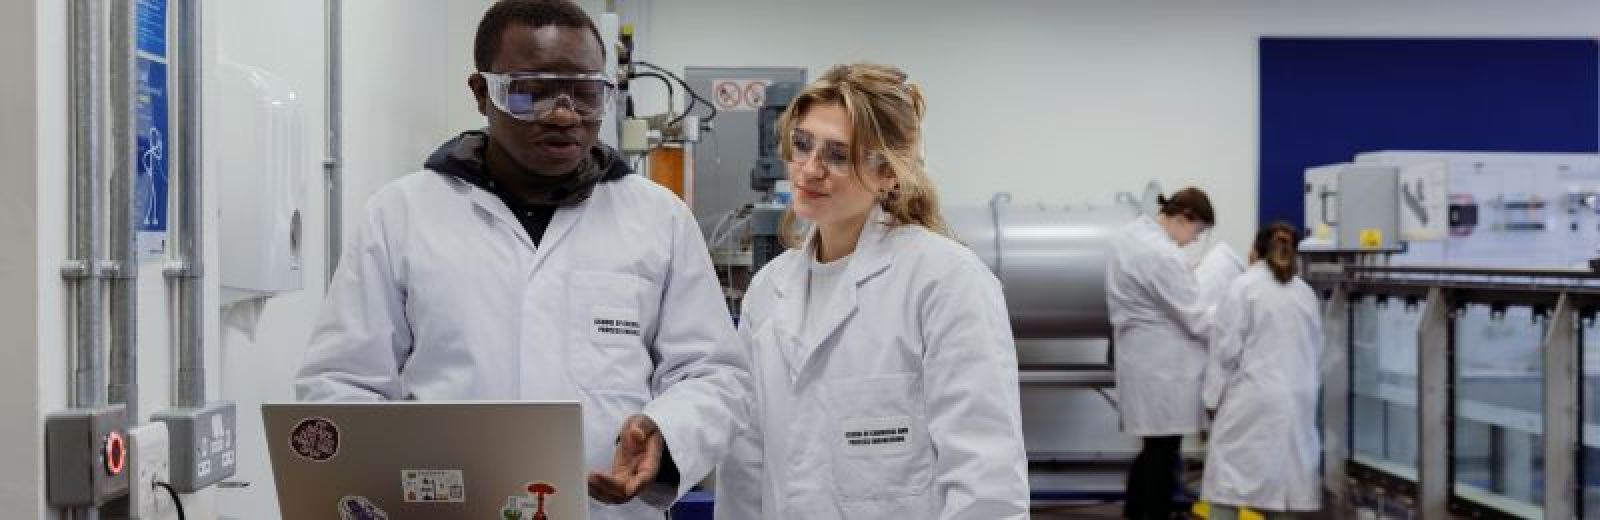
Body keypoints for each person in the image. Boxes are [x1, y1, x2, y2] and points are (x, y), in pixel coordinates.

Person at [294, 1, 747, 516]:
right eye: (530, 91)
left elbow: (713, 374)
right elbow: (341, 384)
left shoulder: (659, 219)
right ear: (482, 93)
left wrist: (666, 434)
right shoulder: (402, 215)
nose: (563, 113)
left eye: (586, 92)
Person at [713, 63, 1030, 519]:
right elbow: (745, 462)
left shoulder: (945, 280)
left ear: (888, 173)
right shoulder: (769, 289)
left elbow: (986, 481)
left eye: (838, 155)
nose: (810, 169)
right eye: (802, 145)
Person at [1105, 187, 1217, 519]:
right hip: (1162, 369)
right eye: (1196, 232)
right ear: (1184, 218)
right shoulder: (1162, 255)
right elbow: (1195, 318)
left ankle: (1137, 514)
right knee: (1162, 454)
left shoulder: (1128, 236)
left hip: (1143, 360)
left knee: (1153, 451)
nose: (1193, 241)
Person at [1202, 223, 1323, 520]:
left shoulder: (1243, 287)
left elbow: (1225, 352)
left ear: (1254, 251)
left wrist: (1211, 400)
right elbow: (1316, 351)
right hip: (1298, 400)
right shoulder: (1306, 294)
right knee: (1286, 489)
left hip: (1252, 399)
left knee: (1227, 484)